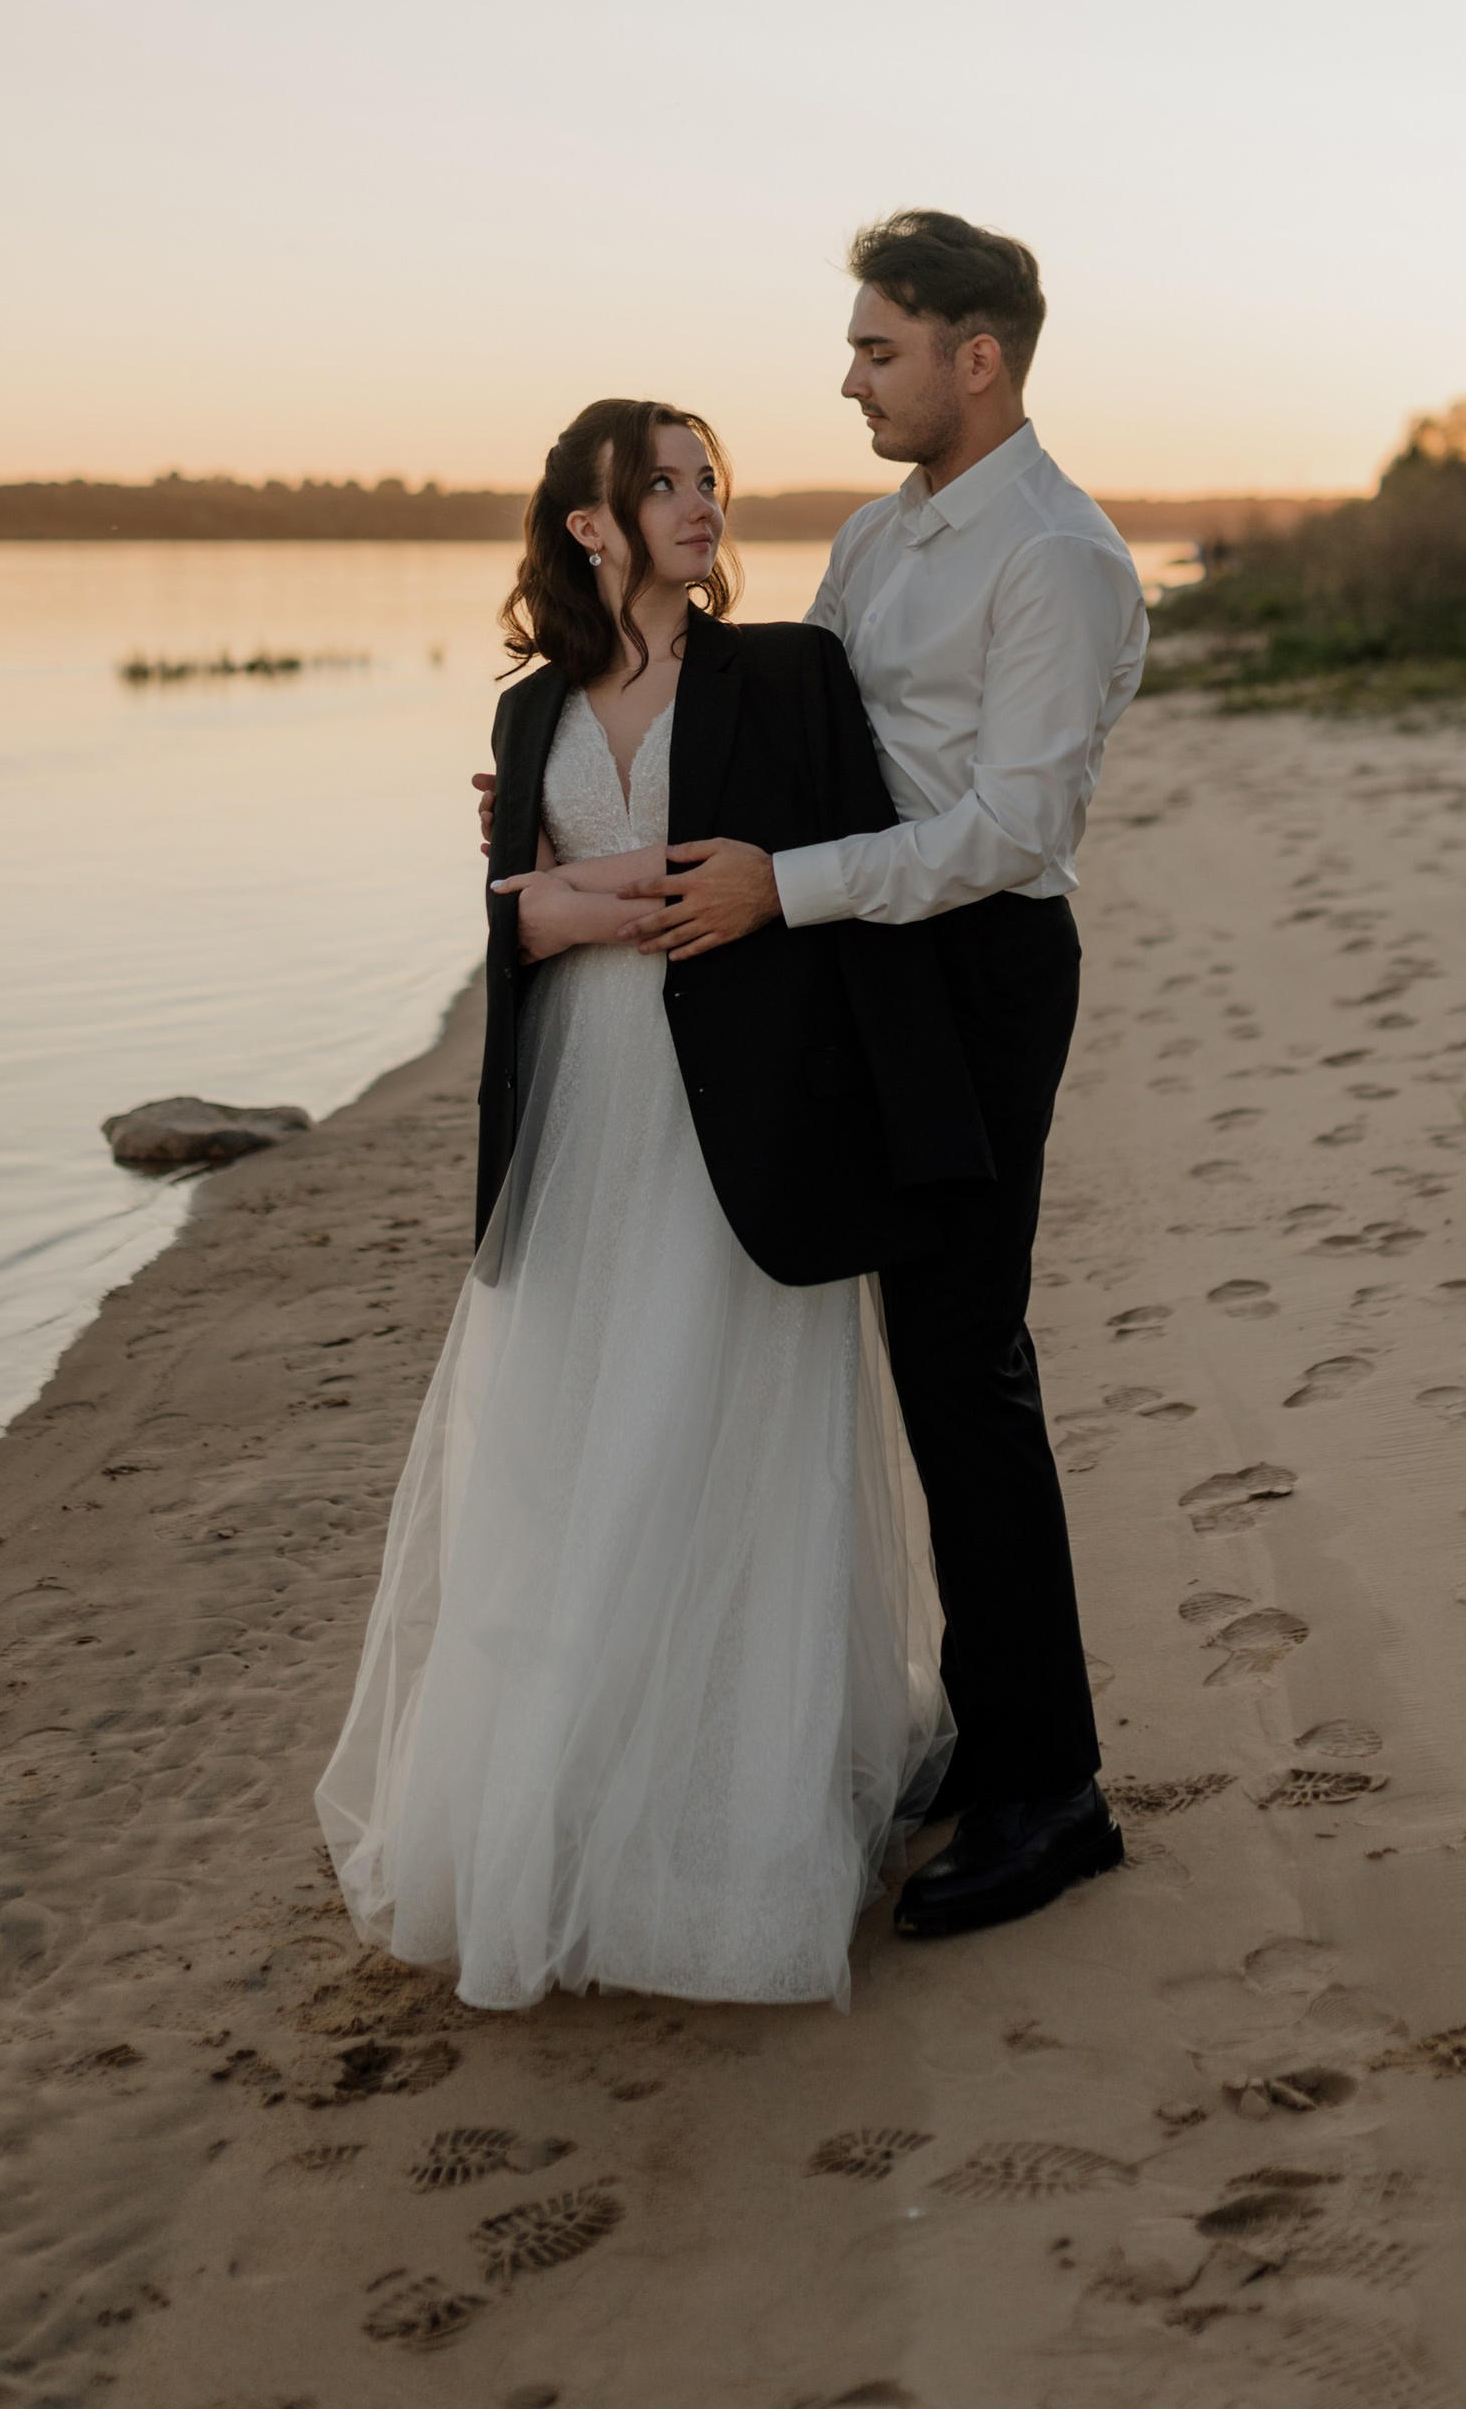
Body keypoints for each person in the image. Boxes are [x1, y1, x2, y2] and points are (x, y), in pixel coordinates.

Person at [315, 398, 989, 2011]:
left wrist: (576, 895)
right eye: (664, 484)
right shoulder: (532, 708)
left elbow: (841, 875)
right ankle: (570, 1820)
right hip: (581, 1119)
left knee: (723, 1445)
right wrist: (543, 908)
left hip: (743, 1124)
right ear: (590, 526)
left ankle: (732, 1838)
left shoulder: (790, 676)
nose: (700, 505)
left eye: (709, 481)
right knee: (572, 1451)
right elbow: (513, 923)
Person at [617, 212, 1147, 1940]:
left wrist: (787, 887)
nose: (848, 378)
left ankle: (1055, 1792)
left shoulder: (1056, 557)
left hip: (981, 975)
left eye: (876, 349)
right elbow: (782, 715)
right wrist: (570, 782)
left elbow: (1012, 831)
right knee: (917, 1362)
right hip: (862, 961)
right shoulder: (874, 534)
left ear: (974, 357)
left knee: (966, 1362)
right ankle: (993, 1724)